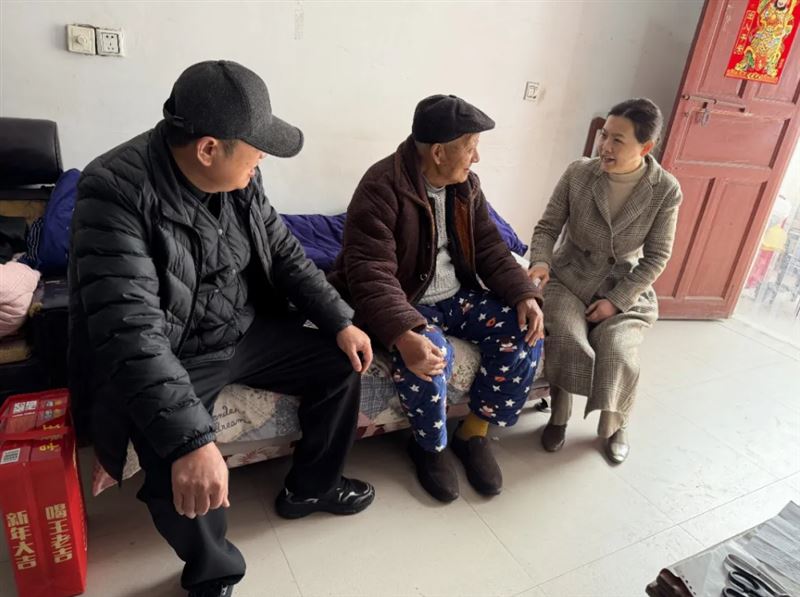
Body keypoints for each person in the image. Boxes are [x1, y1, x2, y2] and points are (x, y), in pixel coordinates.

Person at [68, 60, 375, 597]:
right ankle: (213, 570)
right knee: (173, 454)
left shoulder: (241, 178)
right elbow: (133, 332)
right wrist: (192, 441)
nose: (261, 161)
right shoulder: (113, 192)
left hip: (244, 327)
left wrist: (339, 319)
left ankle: (311, 488)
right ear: (209, 148)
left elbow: (284, 251)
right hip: (177, 351)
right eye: (256, 150)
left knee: (339, 363)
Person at [329, 94, 544, 503]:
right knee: (428, 357)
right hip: (407, 300)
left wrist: (524, 294)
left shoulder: (466, 186)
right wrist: (403, 332)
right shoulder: (381, 187)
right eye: (471, 147)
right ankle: (429, 447)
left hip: (454, 296)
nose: (476, 158)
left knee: (523, 331)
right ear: (439, 152)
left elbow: (490, 247)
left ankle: (474, 432)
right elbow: (371, 273)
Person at [528, 97, 682, 464]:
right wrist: (540, 262)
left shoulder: (665, 190)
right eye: (604, 135)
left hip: (623, 283)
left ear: (645, 147)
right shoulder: (579, 173)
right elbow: (548, 227)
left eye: (617, 140)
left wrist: (616, 302)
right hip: (570, 275)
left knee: (617, 348)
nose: (605, 146)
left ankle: (616, 424)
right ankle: (558, 416)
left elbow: (657, 257)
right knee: (566, 335)